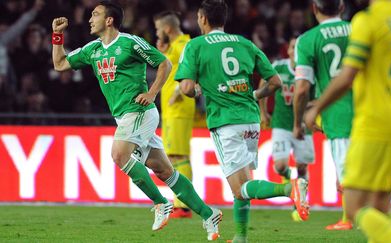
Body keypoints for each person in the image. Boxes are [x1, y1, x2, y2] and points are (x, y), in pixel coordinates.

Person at [51, 1, 222, 241]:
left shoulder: (130, 43)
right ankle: (208, 213)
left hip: (140, 111)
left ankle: (161, 203)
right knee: (165, 171)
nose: (90, 18)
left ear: (109, 20)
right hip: (124, 116)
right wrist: (57, 37)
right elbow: (60, 64)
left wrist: (152, 93)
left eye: (96, 14)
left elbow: (165, 63)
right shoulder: (93, 49)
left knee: (119, 155)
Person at [175, 1, 309, 242]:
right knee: (242, 183)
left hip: (225, 122)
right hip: (251, 120)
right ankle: (241, 237)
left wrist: (197, 90)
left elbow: (185, 87)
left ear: (203, 18)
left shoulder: (195, 46)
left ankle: (290, 188)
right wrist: (254, 95)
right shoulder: (244, 43)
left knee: (240, 188)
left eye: (198, 17)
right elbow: (276, 82)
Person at [304, 0, 391, 241]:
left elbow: (347, 75)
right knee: (380, 208)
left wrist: (317, 107)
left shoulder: (368, 20)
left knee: (355, 205)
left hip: (375, 122)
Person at [292, 0, 353, 230]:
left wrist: (298, 122)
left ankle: (349, 220)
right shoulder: (360, 30)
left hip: (338, 113)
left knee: (347, 172)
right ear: (341, 7)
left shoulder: (307, 40)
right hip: (371, 109)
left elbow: (302, 89)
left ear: (314, 9)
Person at [259, 36, 315, 222]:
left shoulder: (310, 69)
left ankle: (301, 202)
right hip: (281, 124)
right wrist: (263, 111)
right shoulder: (279, 66)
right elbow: (263, 84)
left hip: (302, 126)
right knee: (281, 166)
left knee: (301, 166)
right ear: (289, 50)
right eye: (293, 46)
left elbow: (317, 95)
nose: (295, 50)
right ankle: (289, 182)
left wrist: (311, 110)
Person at [153, 11, 195, 219]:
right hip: (172, 111)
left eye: (158, 28)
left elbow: (194, 70)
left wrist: (179, 91)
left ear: (167, 29)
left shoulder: (184, 45)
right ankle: (182, 202)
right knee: (174, 155)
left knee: (178, 155)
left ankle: (184, 205)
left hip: (179, 109)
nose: (156, 32)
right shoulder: (173, 48)